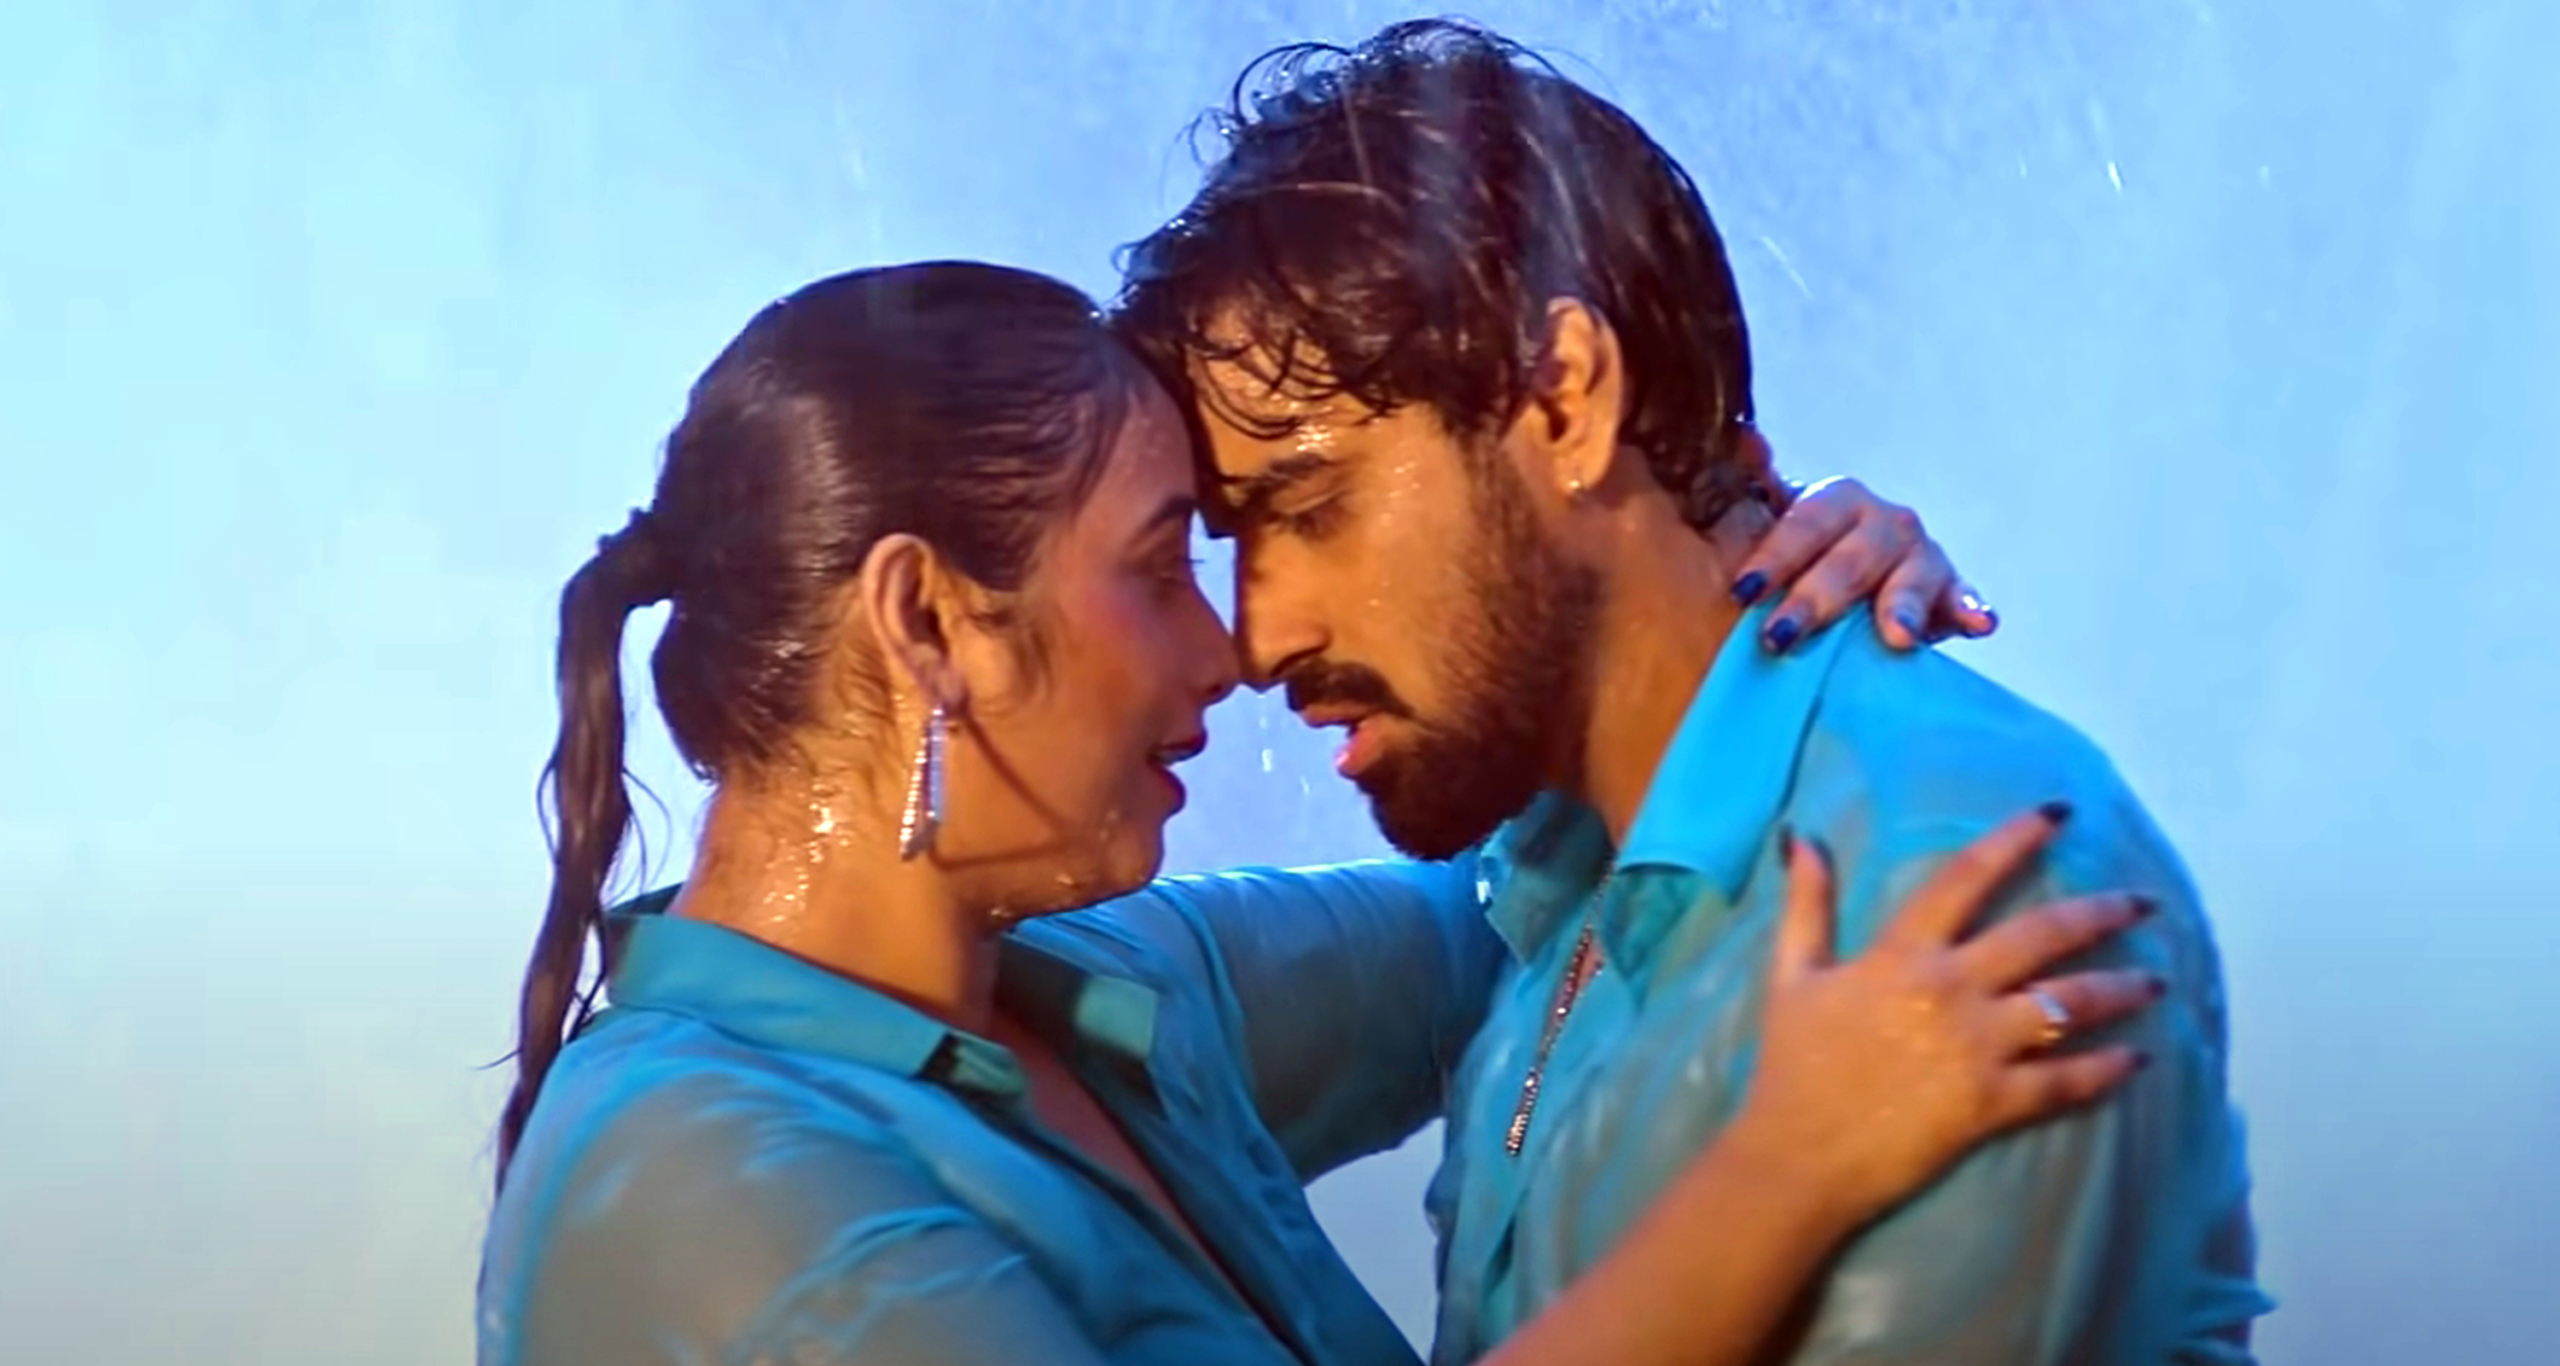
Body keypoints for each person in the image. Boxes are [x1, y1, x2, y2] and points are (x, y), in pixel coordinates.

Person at [476, 261, 2164, 1366]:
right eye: (1160, 568)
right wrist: (1787, 1169)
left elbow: (1518, 920)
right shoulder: (693, 1174)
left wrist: (1741, 587)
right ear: (926, 622)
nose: (1228, 650)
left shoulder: (1108, 997)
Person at [1113, 18, 2272, 1366]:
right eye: (1232, 543)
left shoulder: (1954, 888)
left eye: (1312, 507)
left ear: (1564, 403)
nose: (1259, 640)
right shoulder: (1547, 884)